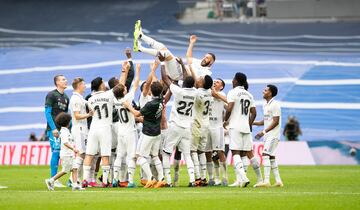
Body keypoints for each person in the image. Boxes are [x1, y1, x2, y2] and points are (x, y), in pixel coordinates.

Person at [81, 73, 125, 188]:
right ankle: (105, 181)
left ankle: (85, 180)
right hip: (105, 127)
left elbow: (91, 111)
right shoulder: (109, 94)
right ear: (101, 85)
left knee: (89, 155)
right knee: (105, 155)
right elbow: (120, 86)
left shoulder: (90, 99)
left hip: (93, 128)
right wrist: (125, 72)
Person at [160, 58, 198, 187]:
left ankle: (169, 181)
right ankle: (192, 180)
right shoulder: (195, 93)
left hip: (176, 125)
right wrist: (182, 64)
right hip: (187, 128)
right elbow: (188, 79)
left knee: (166, 153)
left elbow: (165, 79)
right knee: (187, 155)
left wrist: (162, 63)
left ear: (184, 83)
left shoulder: (179, 90)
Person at [123, 81, 165, 188]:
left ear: (151, 91)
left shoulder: (150, 104)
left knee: (139, 156)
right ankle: (162, 178)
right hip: (157, 132)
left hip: (148, 133)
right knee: (155, 156)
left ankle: (150, 178)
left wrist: (128, 106)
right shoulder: (161, 100)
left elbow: (137, 113)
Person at [223, 72, 263, 187]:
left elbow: (229, 108)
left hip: (235, 126)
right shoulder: (249, 94)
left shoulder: (232, 92)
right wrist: (249, 124)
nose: (232, 81)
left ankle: (243, 178)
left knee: (235, 152)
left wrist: (225, 120)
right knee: (249, 153)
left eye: (233, 79)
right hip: (246, 127)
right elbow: (254, 113)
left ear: (236, 81)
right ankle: (260, 180)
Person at [112, 63, 141, 188]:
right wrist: (138, 70)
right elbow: (136, 83)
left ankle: (114, 180)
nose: (125, 88)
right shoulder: (128, 98)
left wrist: (125, 71)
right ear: (124, 91)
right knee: (131, 156)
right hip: (130, 130)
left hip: (121, 130)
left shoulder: (115, 100)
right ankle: (130, 181)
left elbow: (119, 86)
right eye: (124, 88)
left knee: (119, 155)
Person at [254, 84, 284, 187]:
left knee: (265, 155)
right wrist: (253, 123)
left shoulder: (275, 104)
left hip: (273, 135)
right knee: (271, 157)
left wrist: (263, 132)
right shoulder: (265, 105)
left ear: (270, 93)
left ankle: (266, 181)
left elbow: (275, 122)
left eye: (265, 90)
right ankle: (278, 181)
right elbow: (266, 120)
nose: (263, 91)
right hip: (268, 135)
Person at [45, 112, 83, 191]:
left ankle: (75, 185)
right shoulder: (64, 132)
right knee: (65, 170)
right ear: (67, 122)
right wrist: (74, 149)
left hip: (70, 154)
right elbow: (65, 143)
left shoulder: (65, 131)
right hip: (66, 154)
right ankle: (51, 180)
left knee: (75, 168)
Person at [44, 74, 69, 188]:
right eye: (63, 79)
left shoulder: (66, 98)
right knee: (56, 152)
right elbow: (47, 113)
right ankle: (53, 179)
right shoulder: (51, 95)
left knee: (61, 154)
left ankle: (54, 179)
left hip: (62, 130)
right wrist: (53, 128)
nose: (65, 81)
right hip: (53, 130)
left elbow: (66, 116)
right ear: (57, 82)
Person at [69, 77, 93, 185]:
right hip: (78, 129)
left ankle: (76, 179)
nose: (85, 86)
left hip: (82, 129)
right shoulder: (75, 99)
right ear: (79, 85)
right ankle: (71, 179)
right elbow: (76, 115)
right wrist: (88, 115)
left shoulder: (80, 98)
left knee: (82, 154)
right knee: (80, 154)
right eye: (83, 84)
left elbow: (88, 102)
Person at [206, 78, 228, 186]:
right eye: (214, 81)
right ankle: (214, 178)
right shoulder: (207, 92)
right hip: (207, 126)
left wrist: (226, 121)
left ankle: (225, 177)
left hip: (217, 127)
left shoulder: (221, 94)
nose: (215, 82)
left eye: (217, 82)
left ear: (222, 86)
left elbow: (229, 105)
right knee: (208, 152)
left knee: (220, 152)